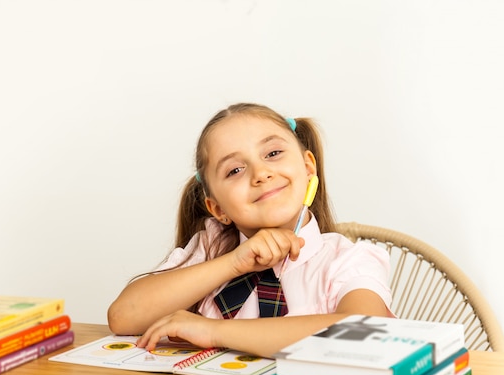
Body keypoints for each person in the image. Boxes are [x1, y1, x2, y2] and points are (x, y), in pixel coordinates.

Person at [107, 103, 393, 358]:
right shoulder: (211, 249)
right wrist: (233, 262)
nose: (260, 174)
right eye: (235, 170)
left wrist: (214, 331)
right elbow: (123, 317)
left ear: (308, 168)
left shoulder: (350, 261)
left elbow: (361, 334)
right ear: (217, 208)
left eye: (273, 153)